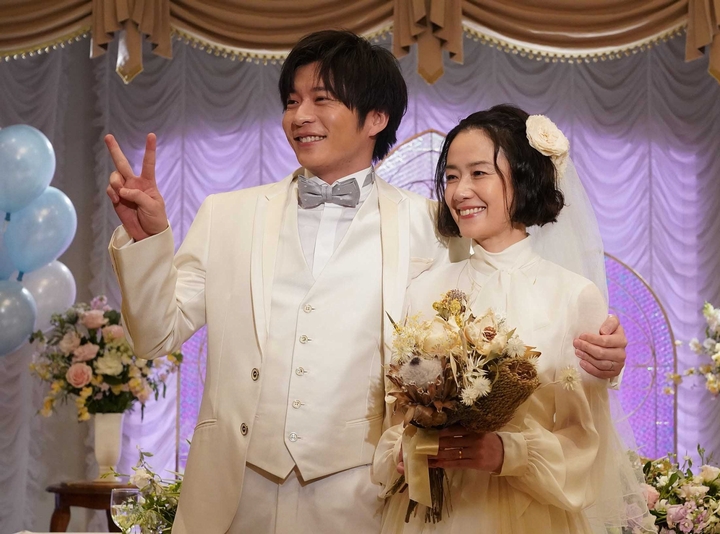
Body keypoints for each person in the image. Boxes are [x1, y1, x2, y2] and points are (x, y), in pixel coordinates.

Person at [104, 32, 628, 534]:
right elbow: (155, 334)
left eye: (321, 99)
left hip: (366, 500)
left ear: (376, 117)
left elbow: (511, 311)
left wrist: (605, 354)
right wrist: (148, 241)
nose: (300, 116)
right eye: (291, 101)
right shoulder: (226, 215)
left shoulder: (436, 224)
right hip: (235, 492)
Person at [372, 105, 653, 534]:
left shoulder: (574, 296)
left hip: (531, 512)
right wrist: (405, 450)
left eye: (479, 173)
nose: (460, 191)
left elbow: (586, 440)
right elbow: (397, 421)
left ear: (522, 179)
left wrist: (510, 453)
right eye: (451, 176)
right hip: (435, 515)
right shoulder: (424, 291)